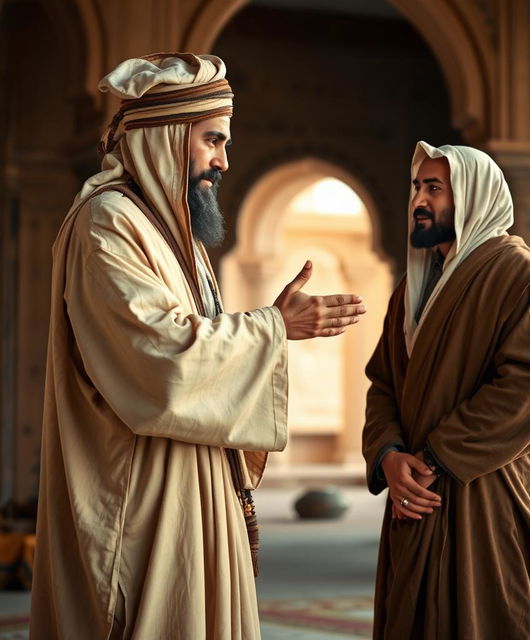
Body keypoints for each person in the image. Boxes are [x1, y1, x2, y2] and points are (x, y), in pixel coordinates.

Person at [30, 53, 366, 640]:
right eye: (212, 140)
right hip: (145, 500)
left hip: (197, 484)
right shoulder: (108, 223)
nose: (223, 160)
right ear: (164, 137)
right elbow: (158, 361)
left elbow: (194, 340)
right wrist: (273, 327)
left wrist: (268, 327)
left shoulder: (174, 233)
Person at [362, 142, 530, 639]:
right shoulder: (413, 290)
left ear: (472, 197)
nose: (420, 199)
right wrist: (390, 454)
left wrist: (434, 457)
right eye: (418, 186)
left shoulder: (519, 277)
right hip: (416, 489)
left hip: (485, 492)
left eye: (435, 188)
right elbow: (384, 383)